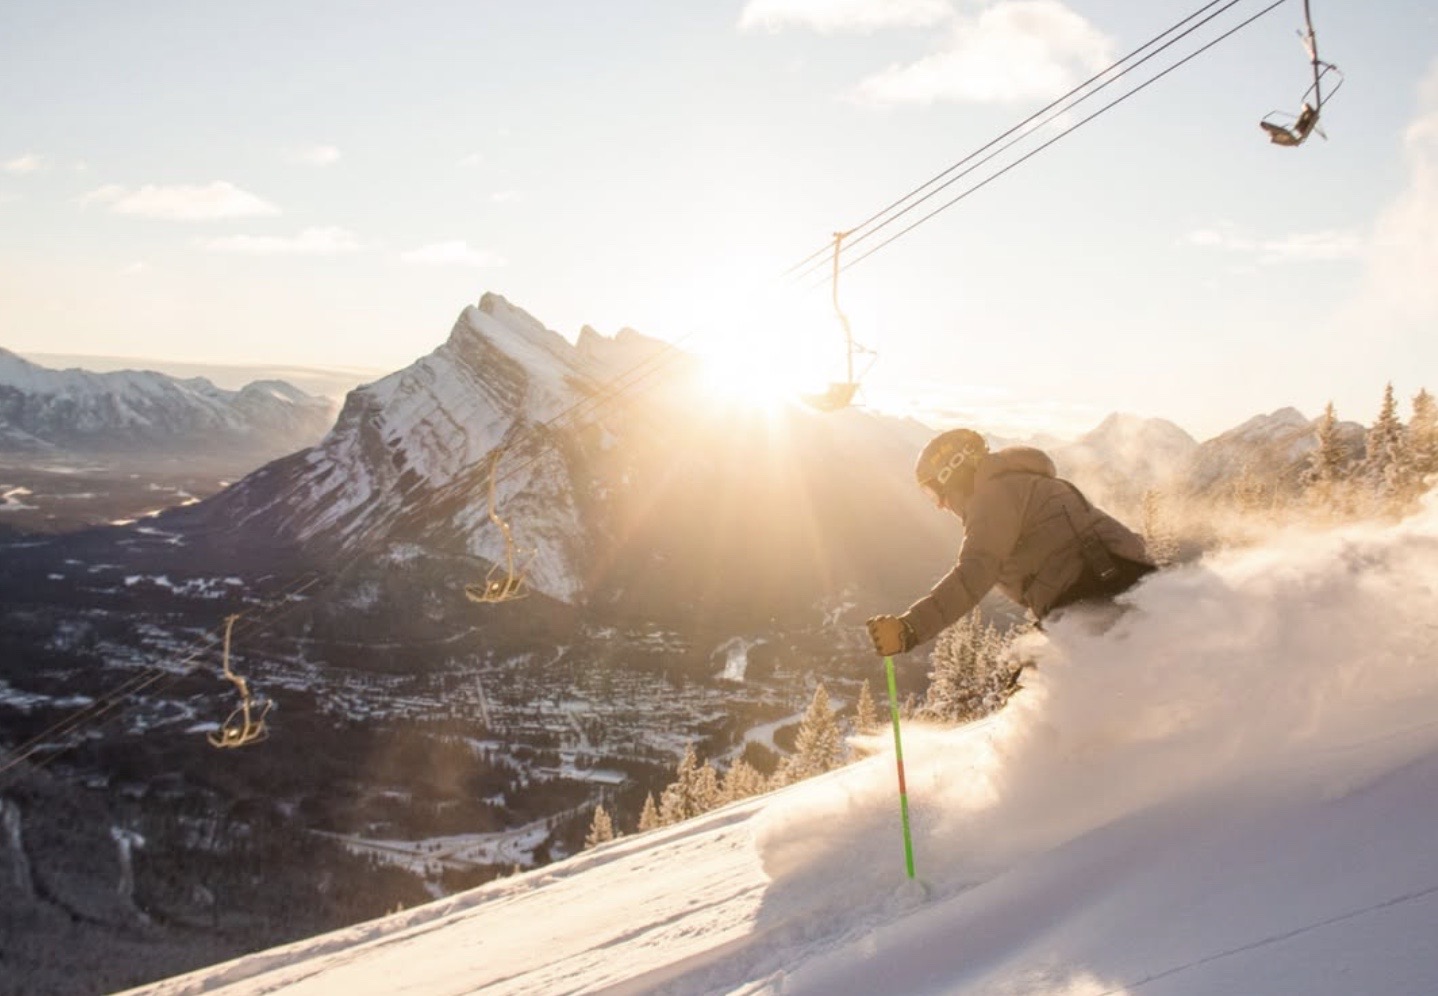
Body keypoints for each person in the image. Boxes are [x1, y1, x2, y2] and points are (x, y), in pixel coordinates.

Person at [866, 428, 1157, 657]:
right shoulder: (1018, 483)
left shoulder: (994, 495)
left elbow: (976, 571)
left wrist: (911, 628)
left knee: (1060, 695)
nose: (940, 505)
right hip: (1111, 581)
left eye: (934, 493)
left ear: (951, 472)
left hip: (1096, 587)